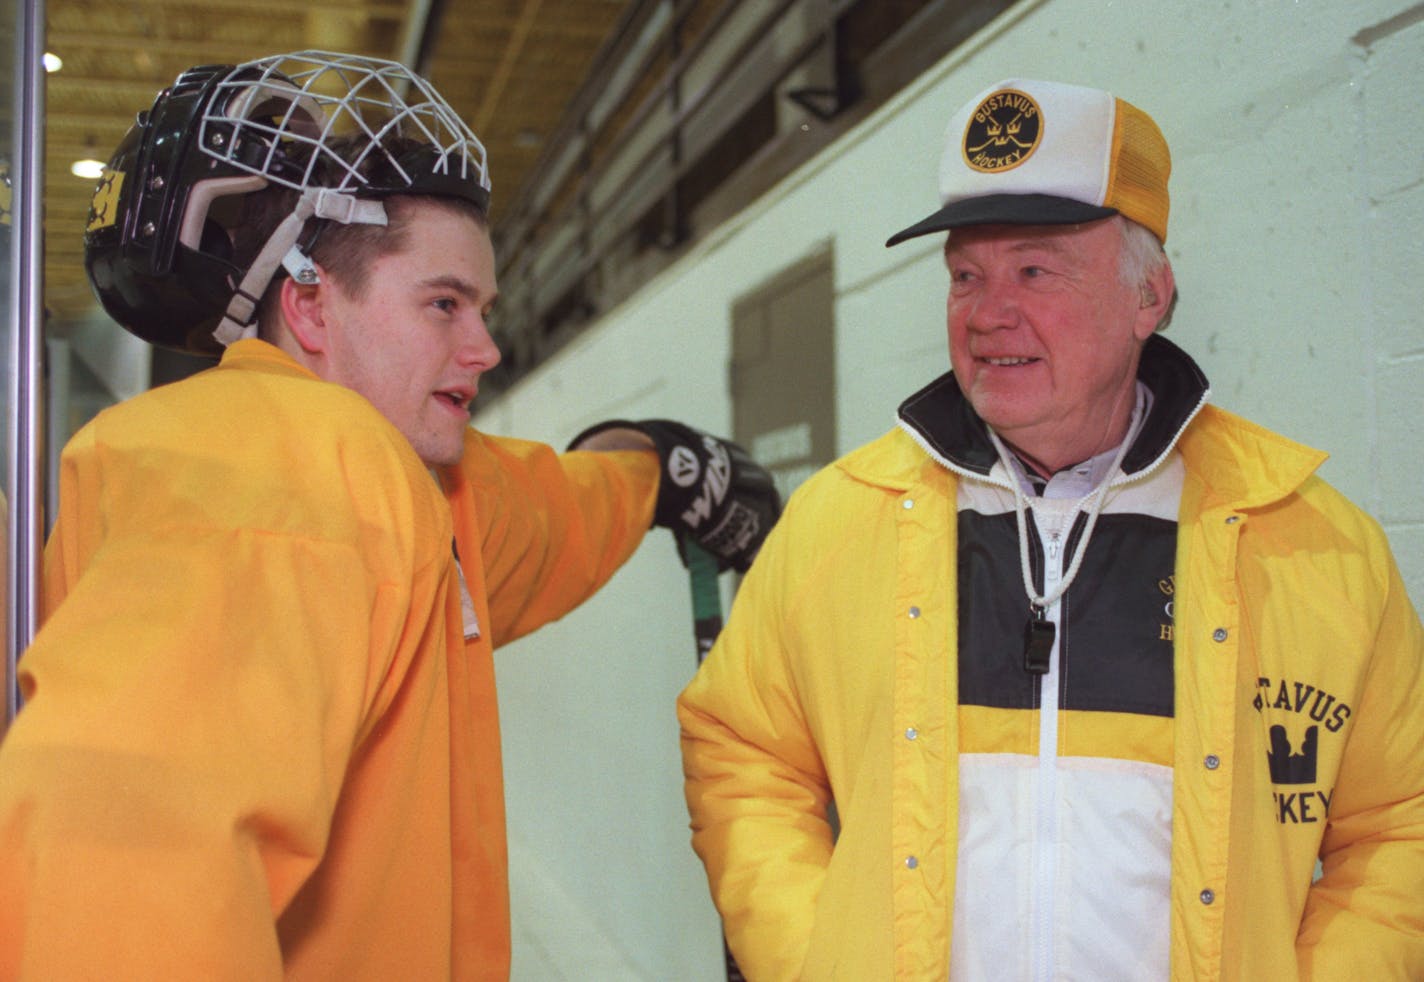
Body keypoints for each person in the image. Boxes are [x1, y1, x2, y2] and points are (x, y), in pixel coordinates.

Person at [0, 51, 777, 979]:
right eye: (443, 304)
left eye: (483, 307)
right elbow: (121, 867)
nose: (485, 346)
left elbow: (553, 513)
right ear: (312, 306)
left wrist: (658, 463)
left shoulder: (415, 483)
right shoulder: (267, 470)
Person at [677, 77, 1424, 980]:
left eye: (1035, 269)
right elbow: (743, 752)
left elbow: (1399, 825)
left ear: (1149, 296)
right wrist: (814, 956)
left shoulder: (1314, 545)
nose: (990, 313)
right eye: (966, 275)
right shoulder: (842, 519)